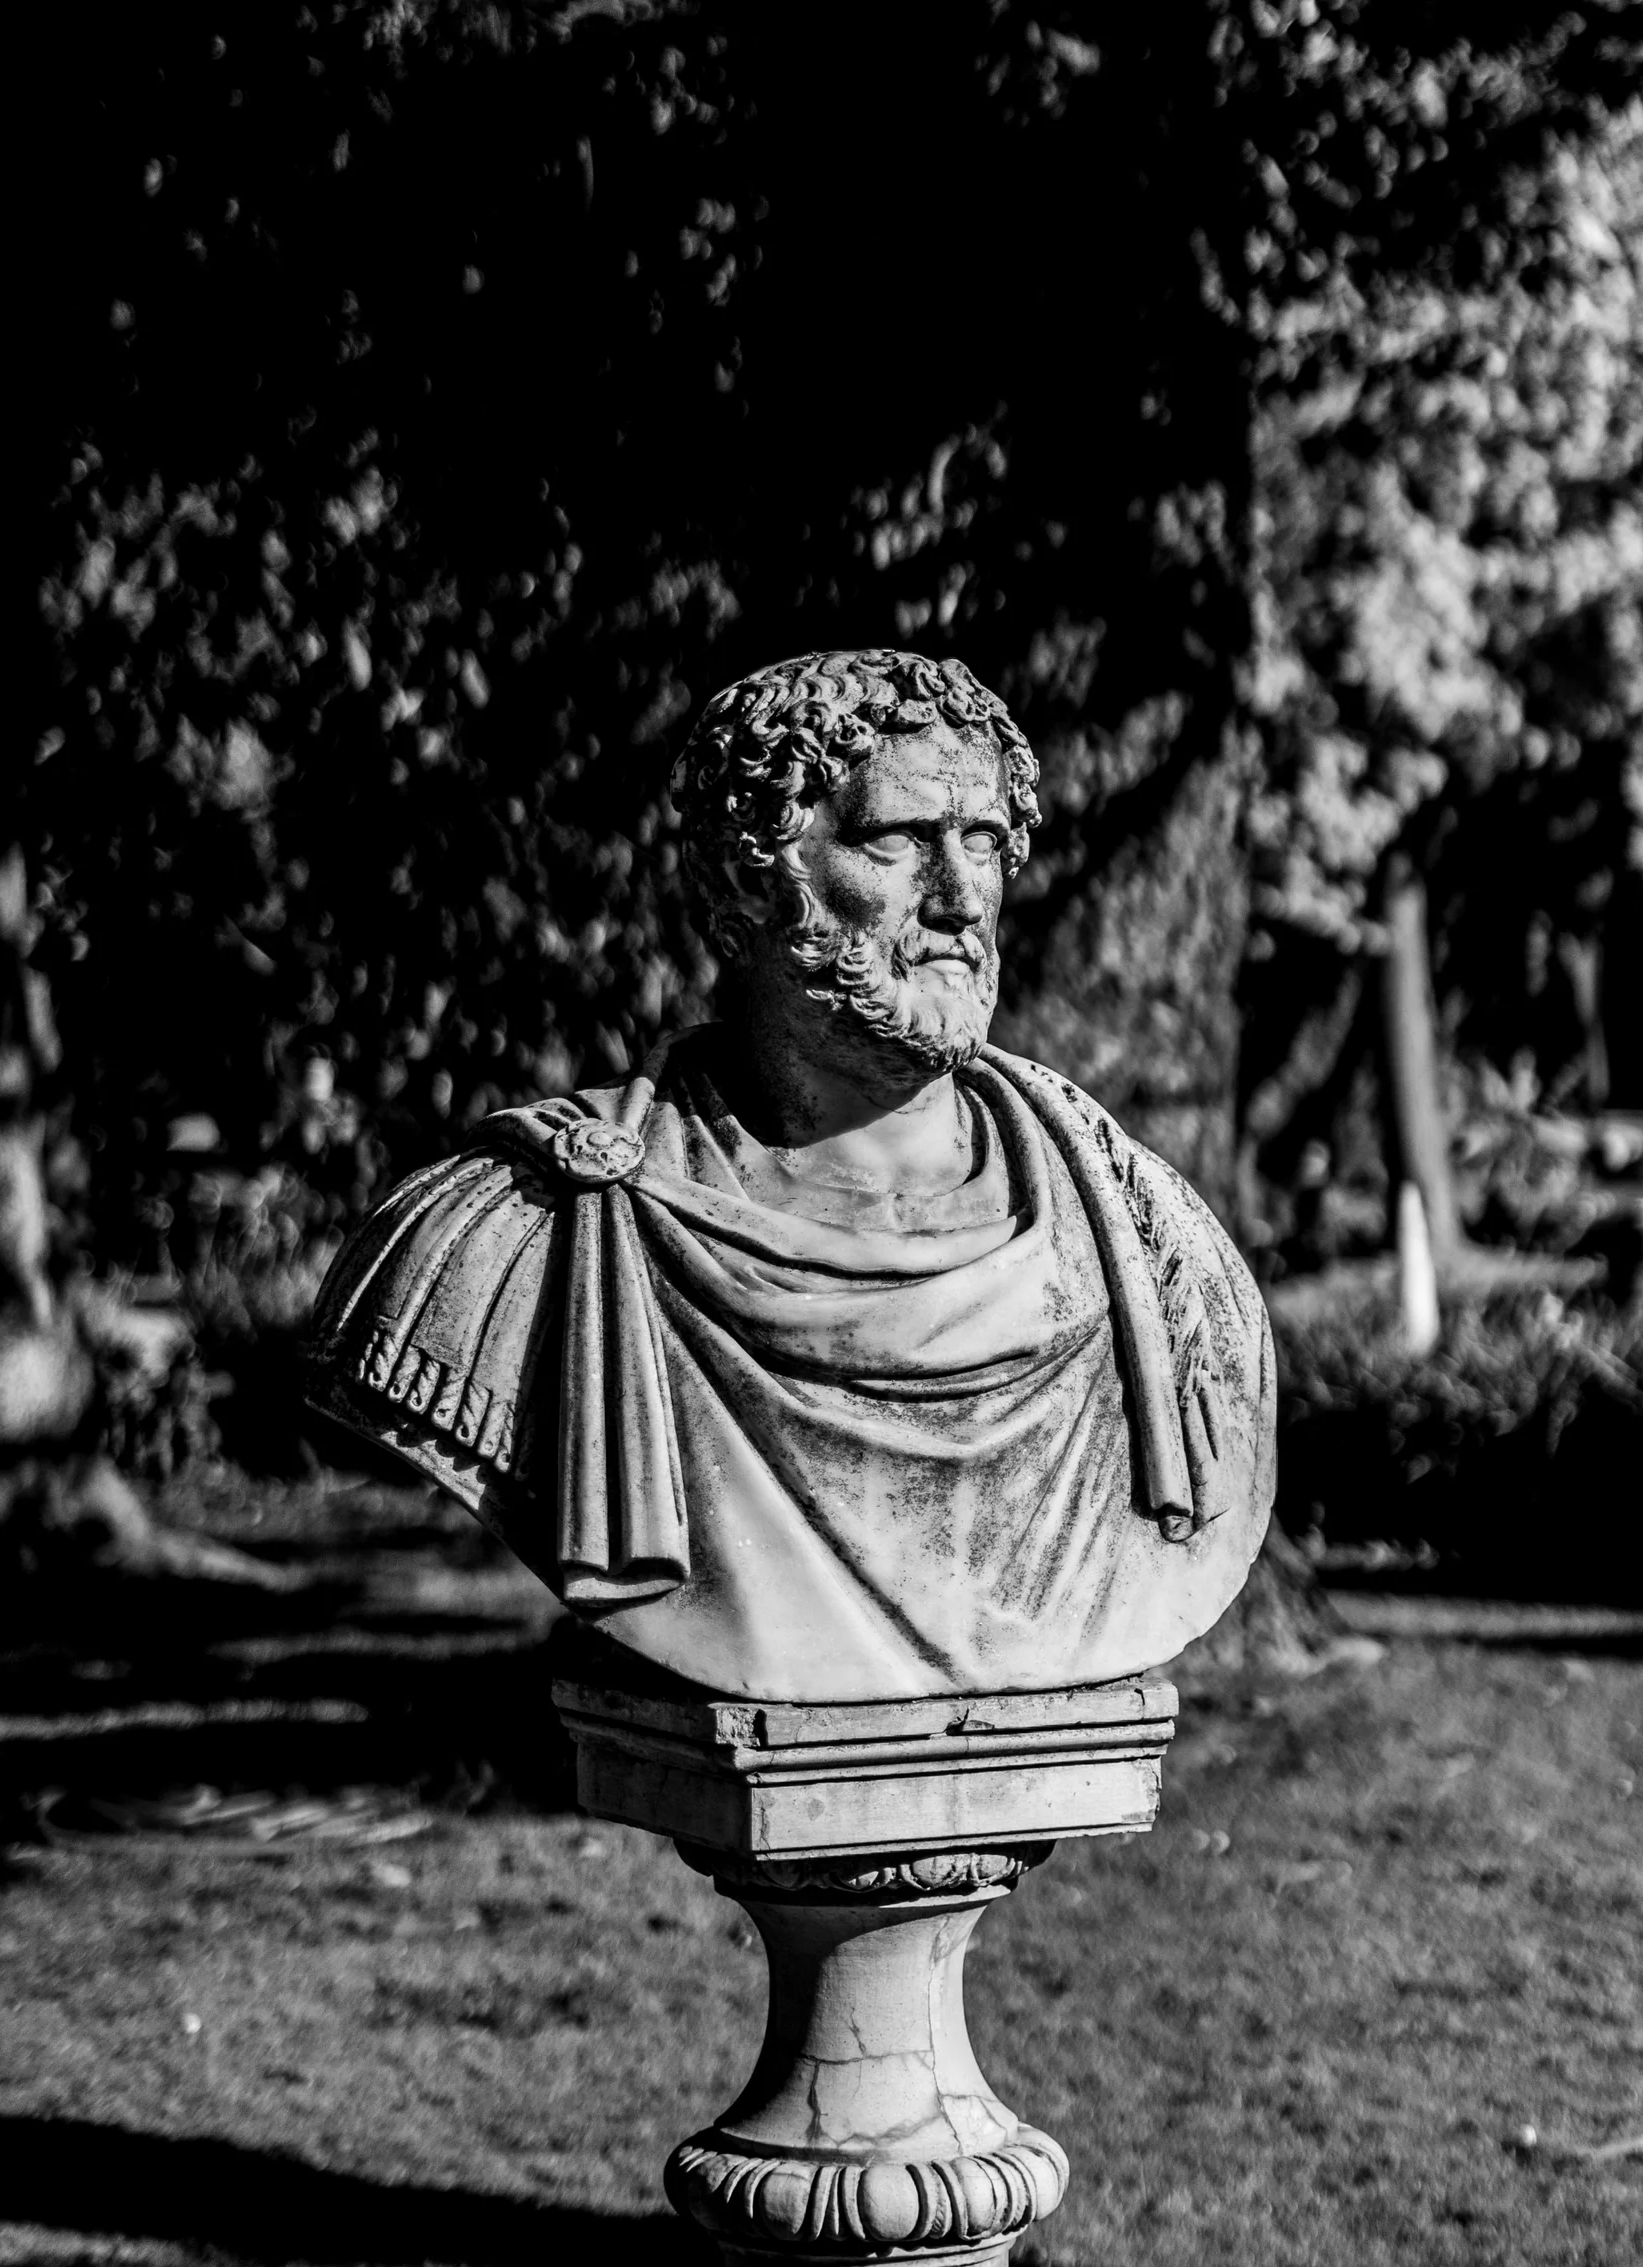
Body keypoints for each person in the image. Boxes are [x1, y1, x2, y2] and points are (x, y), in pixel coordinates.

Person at [306, 648, 1273, 1699]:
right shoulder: (536, 1228)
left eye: (984, 841)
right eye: (896, 840)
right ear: (743, 884)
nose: (958, 897)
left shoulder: (1145, 1239)